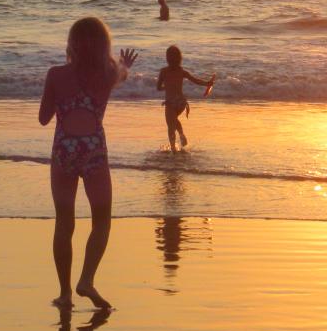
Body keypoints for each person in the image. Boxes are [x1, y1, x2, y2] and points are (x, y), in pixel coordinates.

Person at [39, 17, 138, 310]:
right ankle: (87, 280)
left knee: (64, 223)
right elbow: (121, 74)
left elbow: (43, 118)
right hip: (94, 153)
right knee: (102, 220)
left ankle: (65, 293)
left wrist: (60, 98)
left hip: (64, 152)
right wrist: (125, 65)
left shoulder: (55, 74)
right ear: (103, 45)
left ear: (71, 43)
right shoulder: (107, 74)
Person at [156, 45, 214, 152]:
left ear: (167, 58)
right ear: (179, 58)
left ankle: (173, 149)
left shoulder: (163, 71)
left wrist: (167, 87)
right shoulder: (182, 71)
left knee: (170, 125)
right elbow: (195, 80)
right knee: (173, 119)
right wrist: (207, 83)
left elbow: (158, 88)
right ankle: (181, 134)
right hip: (181, 102)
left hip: (171, 102)